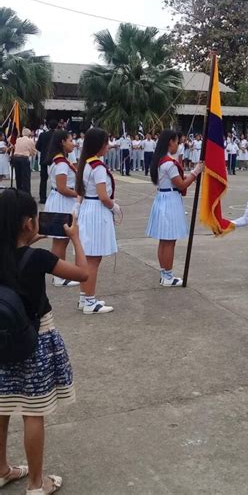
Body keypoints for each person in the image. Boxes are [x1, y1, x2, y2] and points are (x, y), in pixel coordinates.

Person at [0, 188, 88, 495]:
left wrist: (27, 241)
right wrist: (74, 237)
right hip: (33, 339)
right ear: (28, 223)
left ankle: (1, 470)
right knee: (31, 411)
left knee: (2, 406)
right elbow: (83, 274)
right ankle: (36, 484)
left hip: (2, 339)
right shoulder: (38, 258)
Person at [146, 129, 203, 287]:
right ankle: (168, 275)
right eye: (177, 142)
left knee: (164, 241)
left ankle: (165, 273)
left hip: (163, 197)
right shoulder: (168, 164)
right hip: (170, 199)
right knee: (169, 241)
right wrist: (195, 172)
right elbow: (182, 184)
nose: (178, 145)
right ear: (170, 142)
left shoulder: (160, 160)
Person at [76, 128, 119, 314]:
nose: (108, 146)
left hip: (88, 208)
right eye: (105, 143)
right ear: (98, 145)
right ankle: (90, 302)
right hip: (97, 211)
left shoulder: (86, 163)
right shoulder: (98, 167)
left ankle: (84, 297)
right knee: (93, 259)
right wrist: (114, 207)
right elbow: (103, 196)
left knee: (88, 258)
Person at [44, 130, 81, 288]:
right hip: (62, 201)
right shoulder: (60, 163)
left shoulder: (60, 161)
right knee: (60, 241)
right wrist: (78, 194)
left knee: (61, 240)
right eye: (70, 140)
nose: (73, 143)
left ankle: (59, 274)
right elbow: (62, 188)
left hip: (61, 201)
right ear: (62, 142)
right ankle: (58, 276)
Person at [10, 128, 37, 195]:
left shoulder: (18, 139)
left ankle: (19, 193)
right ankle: (26, 194)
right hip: (24, 159)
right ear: (29, 134)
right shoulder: (30, 141)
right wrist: (29, 153)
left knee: (18, 177)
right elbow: (33, 152)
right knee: (26, 178)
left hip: (16, 158)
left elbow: (11, 142)